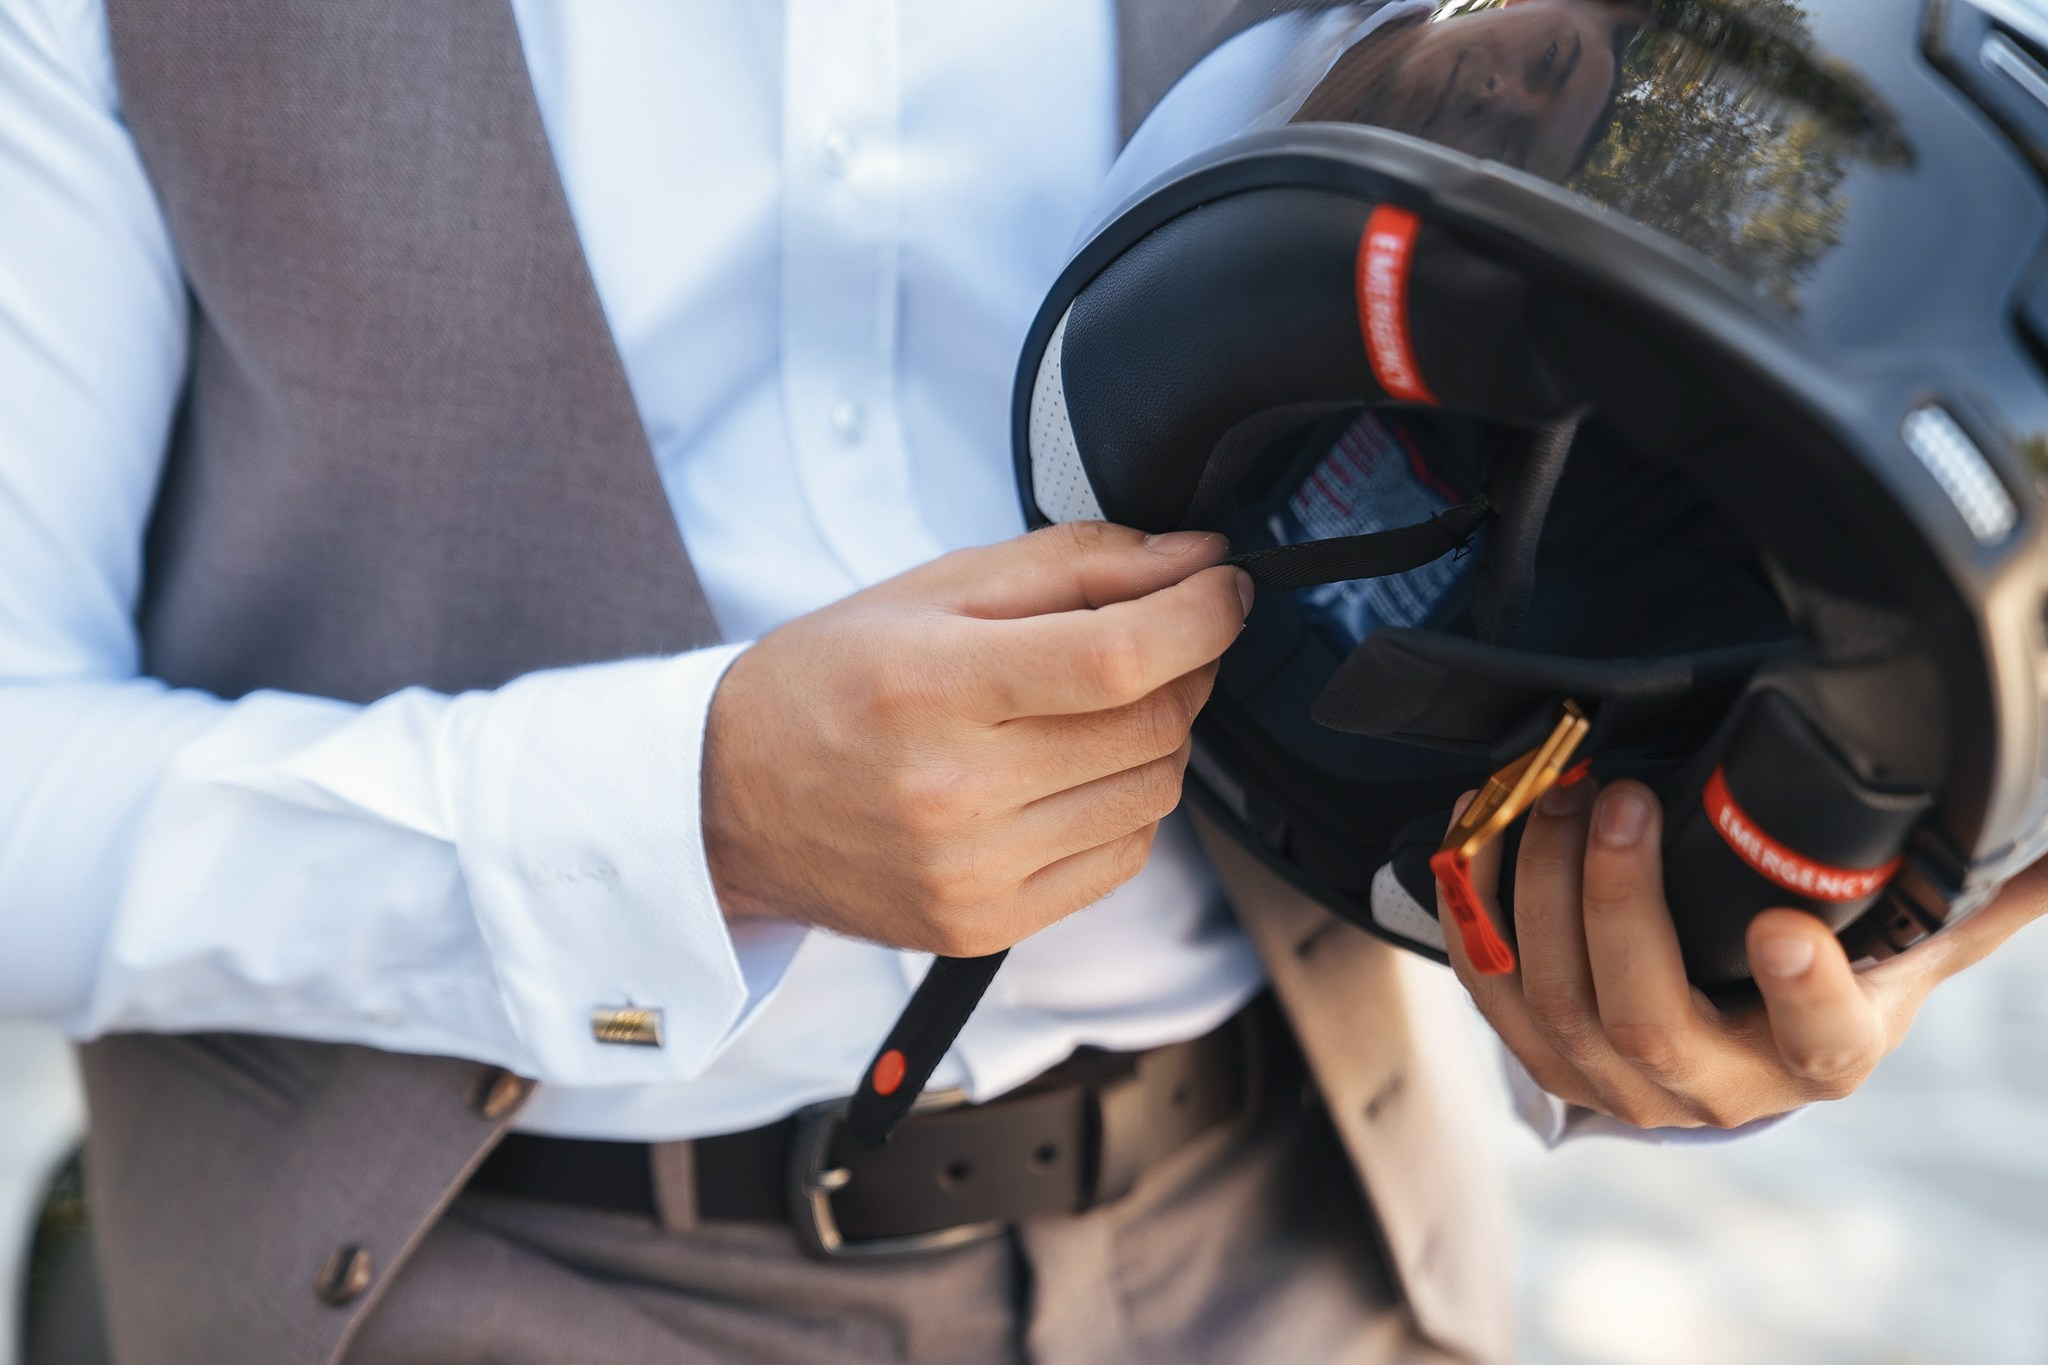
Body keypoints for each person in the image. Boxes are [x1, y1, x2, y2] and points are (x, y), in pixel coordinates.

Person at [2, 2, 2041, 1363]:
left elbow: (1725, 422)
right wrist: (688, 811)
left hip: (1306, 1262)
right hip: (459, 1283)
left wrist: (1696, 992)